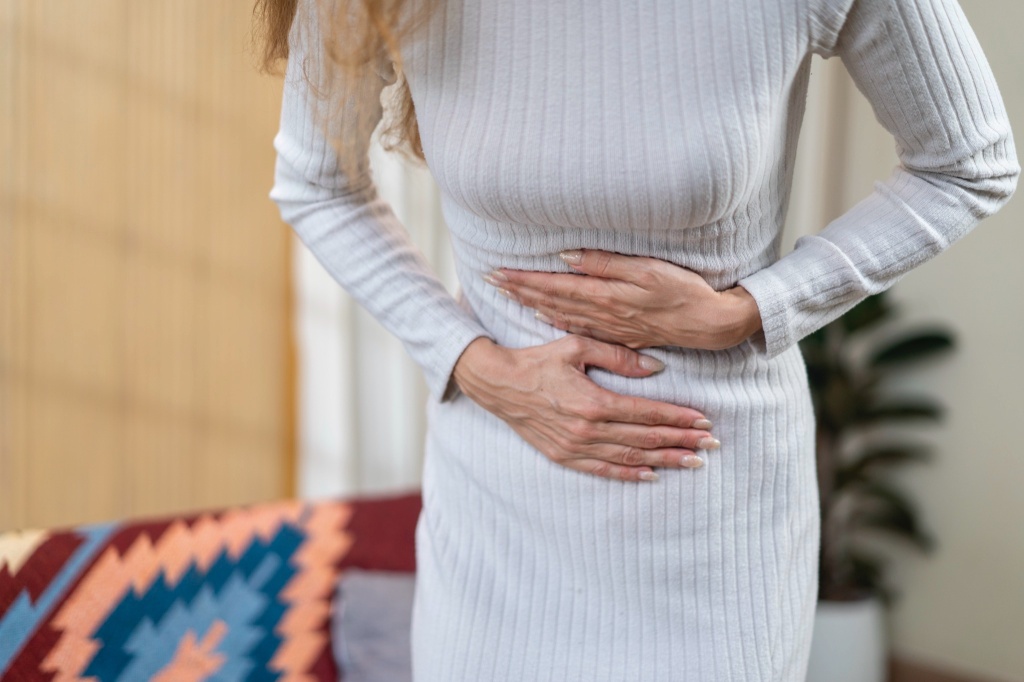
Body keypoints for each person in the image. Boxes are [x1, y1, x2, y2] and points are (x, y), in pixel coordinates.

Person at [258, 0, 1019, 678]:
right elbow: (316, 184)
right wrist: (477, 366)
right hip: (497, 518)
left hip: (715, 524)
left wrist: (752, 308)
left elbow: (968, 162)